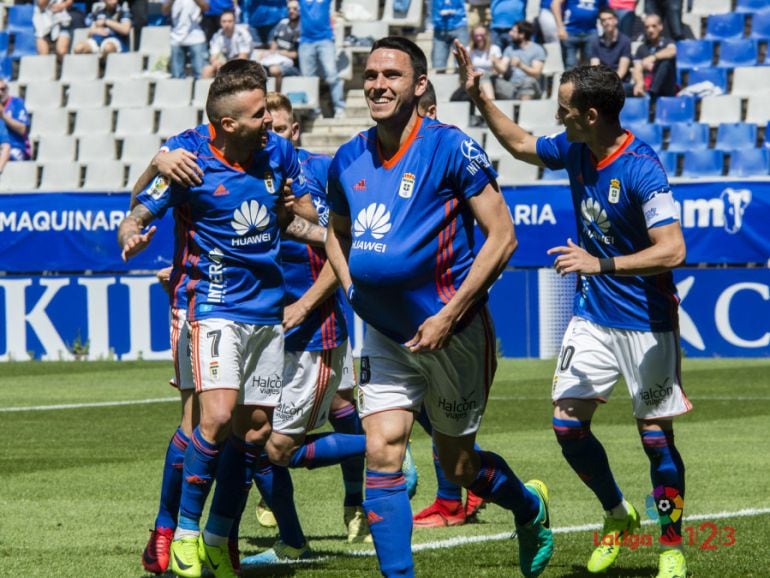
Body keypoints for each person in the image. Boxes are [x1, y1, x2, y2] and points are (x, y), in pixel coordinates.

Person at [455, 40, 690, 578]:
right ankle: (617, 513)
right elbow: (519, 145)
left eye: (563, 108)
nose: (556, 117)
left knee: (656, 441)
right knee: (567, 427)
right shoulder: (575, 147)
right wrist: (481, 97)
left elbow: (673, 249)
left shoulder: (642, 169)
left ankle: (672, 546)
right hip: (593, 316)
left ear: (589, 114)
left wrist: (600, 264)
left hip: (647, 322)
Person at [325, 36, 554, 578]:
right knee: (382, 453)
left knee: (458, 465)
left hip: (454, 334)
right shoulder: (347, 157)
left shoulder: (450, 146)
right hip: (384, 334)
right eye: (372, 75)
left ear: (419, 85)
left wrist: (449, 315)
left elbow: (502, 238)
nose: (378, 85)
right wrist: (352, 288)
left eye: (393, 75)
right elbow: (334, 233)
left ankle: (529, 508)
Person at [119, 62, 315, 578]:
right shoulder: (187, 148)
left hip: (261, 308)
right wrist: (153, 175)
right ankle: (170, 533)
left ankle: (214, 536)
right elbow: (141, 200)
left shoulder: (275, 150)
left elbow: (295, 214)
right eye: (259, 109)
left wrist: (342, 233)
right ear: (225, 119)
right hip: (199, 298)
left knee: (248, 430)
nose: (271, 119)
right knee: (203, 420)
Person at [409, 81, 487, 529]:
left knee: (439, 409)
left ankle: (460, 493)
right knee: (406, 407)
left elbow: (494, 231)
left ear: (431, 109)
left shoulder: (453, 153)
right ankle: (454, 494)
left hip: (448, 308)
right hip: (402, 309)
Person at [297, 0, 345, 118]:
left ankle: (339, 108)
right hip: (305, 42)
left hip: (325, 40)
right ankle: (314, 110)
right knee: (307, 79)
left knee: (332, 74)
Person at [491, 20, 545, 101]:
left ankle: (524, 111)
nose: (510, 33)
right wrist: (495, 62)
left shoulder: (537, 49)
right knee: (491, 79)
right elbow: (502, 69)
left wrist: (521, 65)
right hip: (512, 86)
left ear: (522, 35)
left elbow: (536, 74)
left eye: (513, 31)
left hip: (530, 87)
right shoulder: (509, 49)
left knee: (528, 81)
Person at [258, 0, 300, 93]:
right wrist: (268, 53)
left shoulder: (302, 28)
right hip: (277, 59)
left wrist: (284, 53)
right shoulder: (282, 23)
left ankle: (277, 97)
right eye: (289, 9)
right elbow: (274, 43)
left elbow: (297, 55)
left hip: (293, 66)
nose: (291, 11)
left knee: (274, 70)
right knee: (256, 68)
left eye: (295, 9)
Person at [551, 0, 607, 70]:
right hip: (570, 32)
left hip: (591, 32)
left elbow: (605, 10)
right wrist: (560, 27)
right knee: (570, 65)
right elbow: (555, 4)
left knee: (589, 67)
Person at [631, 14, 677, 99]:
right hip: (648, 84)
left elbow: (672, 51)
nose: (650, 30)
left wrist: (653, 58)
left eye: (654, 26)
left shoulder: (668, 42)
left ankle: (652, 93)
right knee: (624, 88)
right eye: (647, 27)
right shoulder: (641, 48)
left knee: (666, 62)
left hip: (667, 88)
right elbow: (637, 68)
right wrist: (639, 82)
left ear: (660, 27)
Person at [163, 0, 210, 79]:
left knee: (200, 73)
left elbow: (206, 8)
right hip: (176, 37)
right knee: (177, 75)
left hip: (196, 37)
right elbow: (164, 11)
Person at [201, 9, 252, 78]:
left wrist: (226, 66)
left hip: (243, 64)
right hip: (225, 63)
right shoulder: (217, 35)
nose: (227, 24)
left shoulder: (242, 34)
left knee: (236, 69)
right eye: (224, 21)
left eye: (230, 21)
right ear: (220, 23)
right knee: (207, 70)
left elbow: (243, 58)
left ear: (234, 22)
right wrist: (216, 63)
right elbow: (213, 56)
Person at [589, 8, 632, 89]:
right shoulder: (596, 42)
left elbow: (622, 69)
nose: (607, 22)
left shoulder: (625, 41)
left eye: (609, 19)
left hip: (620, 82)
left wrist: (610, 84)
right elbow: (595, 68)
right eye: (603, 20)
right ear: (601, 23)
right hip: (602, 82)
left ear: (616, 20)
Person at [431, 0, 469, 73]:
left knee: (462, 62)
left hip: (459, 24)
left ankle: (462, 83)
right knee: (438, 65)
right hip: (439, 27)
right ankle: (440, 83)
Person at [0, 79, 31, 162]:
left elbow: (23, 130)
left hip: (15, 148)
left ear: (7, 89)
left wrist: (3, 116)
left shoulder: (16, 103)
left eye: (3, 89)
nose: (0, 93)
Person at [466, 26, 500, 101]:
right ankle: (490, 101)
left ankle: (491, 100)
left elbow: (500, 70)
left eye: (482, 35)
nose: (479, 38)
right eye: (476, 35)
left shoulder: (494, 49)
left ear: (487, 35)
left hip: (491, 76)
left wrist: (495, 63)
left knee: (483, 77)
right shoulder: (469, 50)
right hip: (475, 77)